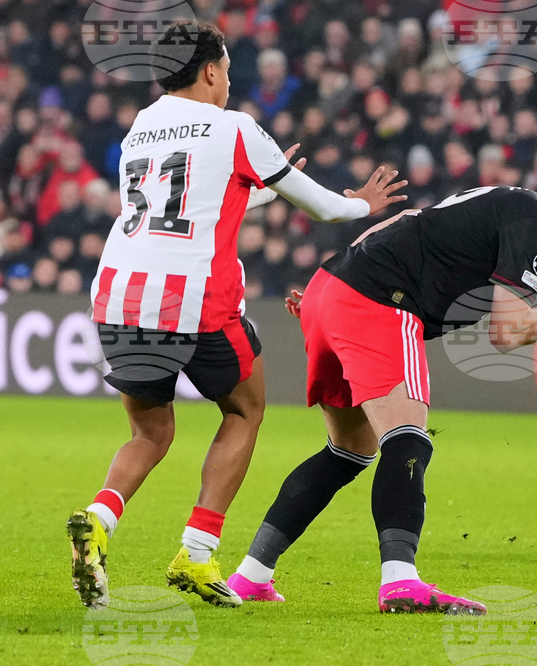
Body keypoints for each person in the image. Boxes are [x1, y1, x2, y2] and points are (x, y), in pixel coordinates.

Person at [67, 21, 406, 611]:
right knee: (245, 409)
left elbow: (188, 200)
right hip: (194, 299)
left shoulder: (140, 126)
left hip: (118, 293)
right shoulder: (234, 127)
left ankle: (99, 519)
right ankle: (197, 554)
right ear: (210, 71)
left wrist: (264, 186)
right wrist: (361, 203)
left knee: (150, 431)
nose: (228, 80)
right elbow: (324, 208)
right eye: (225, 69)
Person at [226, 162, 537, 613]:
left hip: (330, 289)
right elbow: (506, 334)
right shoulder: (535, 225)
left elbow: (408, 219)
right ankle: (400, 582)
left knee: (348, 452)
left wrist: (337, 289)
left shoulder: (520, 206)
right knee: (408, 440)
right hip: (378, 302)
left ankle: (252, 575)